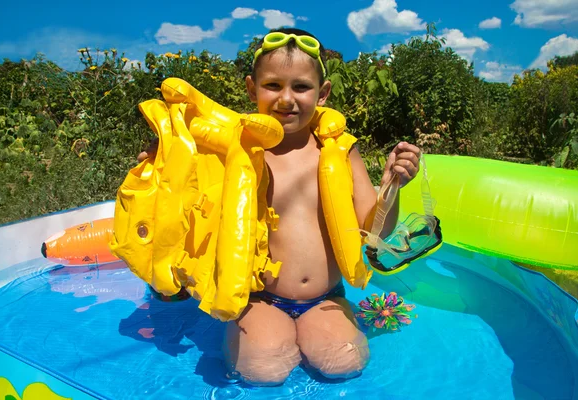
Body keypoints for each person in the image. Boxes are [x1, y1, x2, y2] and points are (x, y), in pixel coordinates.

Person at [138, 28, 421, 386]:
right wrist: (159, 161)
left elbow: (375, 231)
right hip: (260, 300)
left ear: (323, 94)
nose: (286, 99)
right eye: (273, 85)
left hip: (325, 298)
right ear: (251, 88)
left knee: (346, 363)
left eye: (301, 87)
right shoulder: (235, 149)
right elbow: (180, 195)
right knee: (262, 371)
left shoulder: (340, 151)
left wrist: (392, 186)